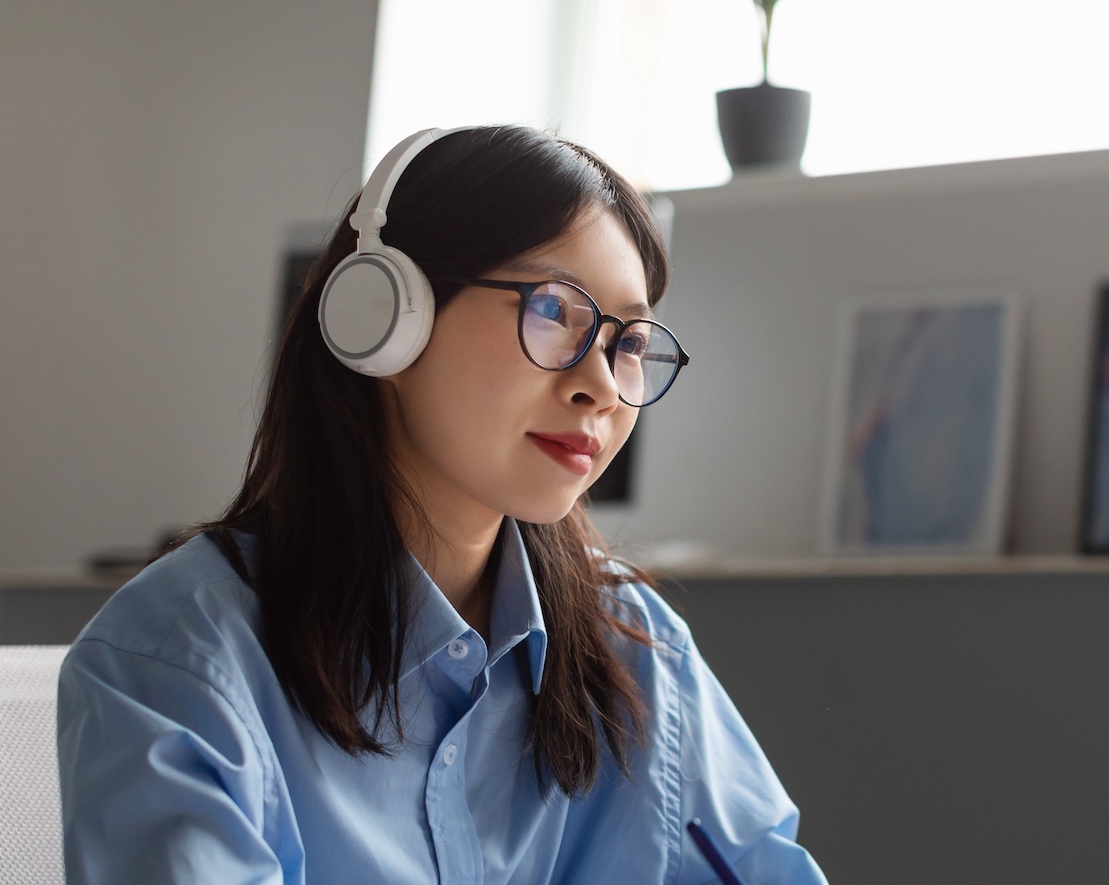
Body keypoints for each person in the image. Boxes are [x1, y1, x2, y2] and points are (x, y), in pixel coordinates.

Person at [56, 126, 827, 884]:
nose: (600, 383)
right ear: (384, 321)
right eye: (555, 310)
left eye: (628, 341)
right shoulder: (178, 660)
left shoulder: (637, 648)